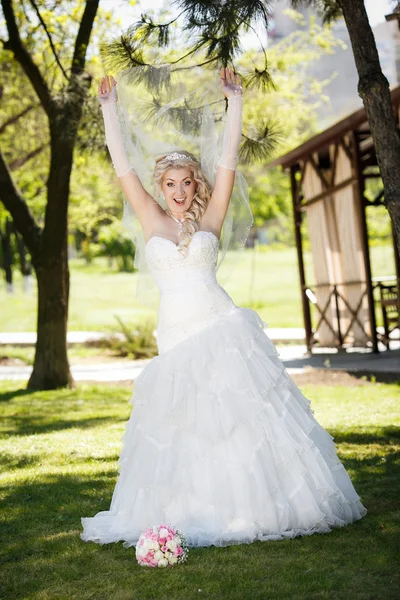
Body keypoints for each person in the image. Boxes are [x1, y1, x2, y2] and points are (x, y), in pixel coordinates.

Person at [80, 68, 367, 549]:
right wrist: (110, 109)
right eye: (169, 183)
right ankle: (188, 511)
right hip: (174, 336)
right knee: (184, 428)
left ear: (196, 184)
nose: (178, 191)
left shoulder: (211, 217)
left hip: (222, 329)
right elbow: (121, 164)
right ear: (161, 186)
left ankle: (251, 509)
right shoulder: (150, 218)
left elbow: (228, 159)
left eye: (186, 182)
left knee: (239, 421)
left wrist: (234, 100)